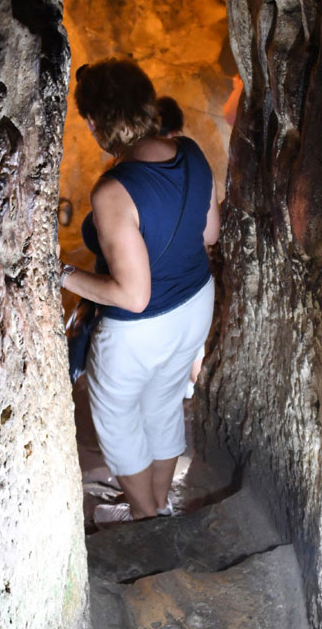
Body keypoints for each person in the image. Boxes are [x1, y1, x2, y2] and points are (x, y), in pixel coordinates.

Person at [59, 59, 219, 523]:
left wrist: (63, 274)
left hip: (140, 331)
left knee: (117, 416)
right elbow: (210, 234)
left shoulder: (114, 189)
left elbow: (133, 295)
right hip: (195, 304)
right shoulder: (189, 151)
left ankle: (146, 518)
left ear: (94, 123)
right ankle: (160, 503)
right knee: (164, 402)